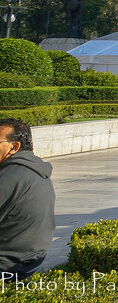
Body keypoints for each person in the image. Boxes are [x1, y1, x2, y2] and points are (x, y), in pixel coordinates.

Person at [0, 118, 55, 280]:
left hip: (8, 264)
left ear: (14, 146)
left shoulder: (11, 176)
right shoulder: (35, 170)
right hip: (29, 261)